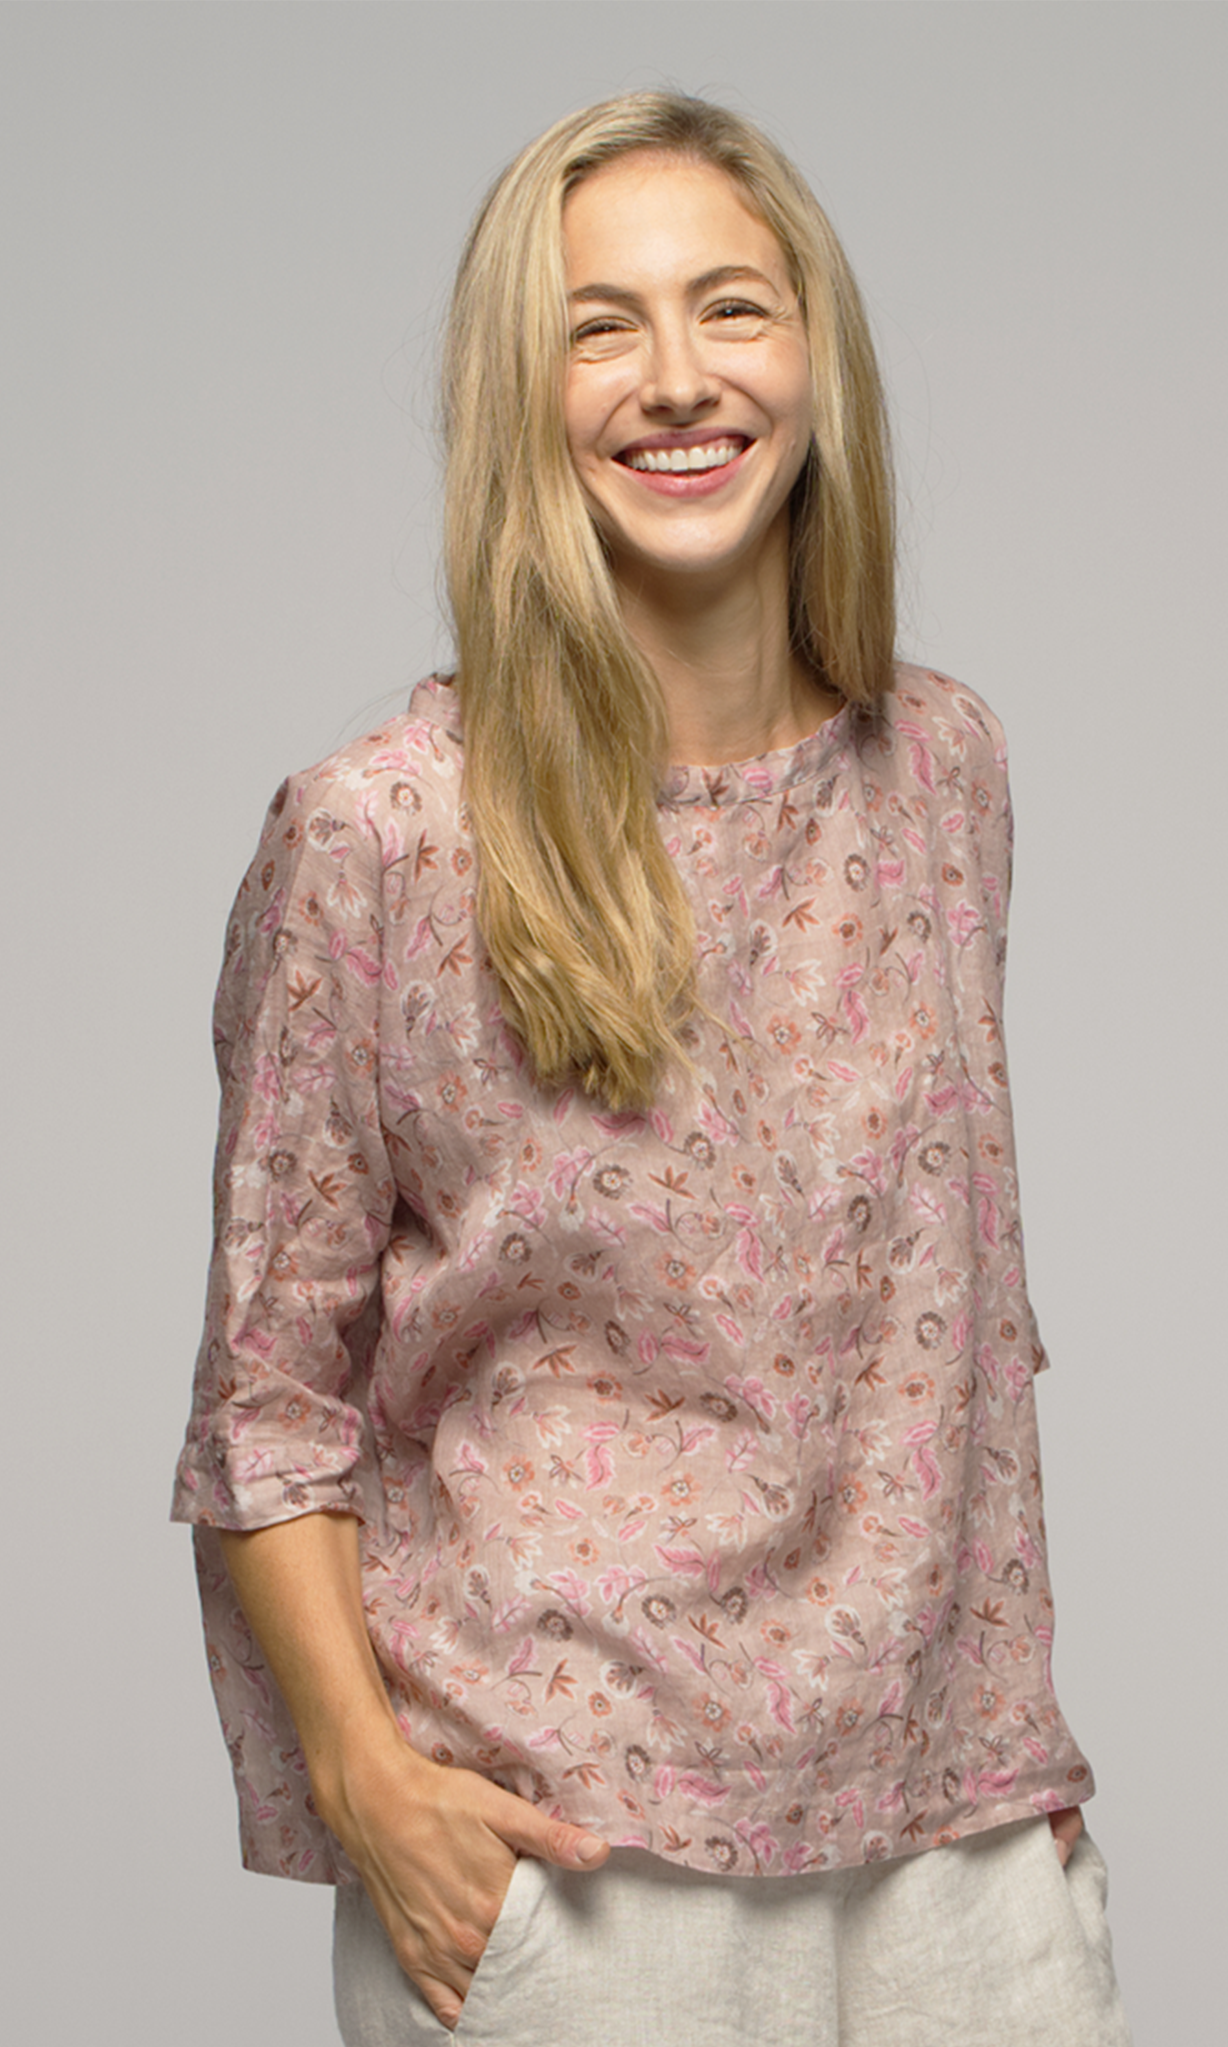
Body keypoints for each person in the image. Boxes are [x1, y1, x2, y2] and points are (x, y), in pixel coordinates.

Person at [173, 92, 1131, 2046]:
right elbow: (267, 1401)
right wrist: (368, 1784)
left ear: (816, 356)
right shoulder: (384, 833)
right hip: (583, 1862)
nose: (678, 378)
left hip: (956, 1852)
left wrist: (1008, 1755)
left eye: (731, 307)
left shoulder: (943, 768)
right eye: (597, 327)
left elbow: (938, 1310)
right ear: (516, 396)